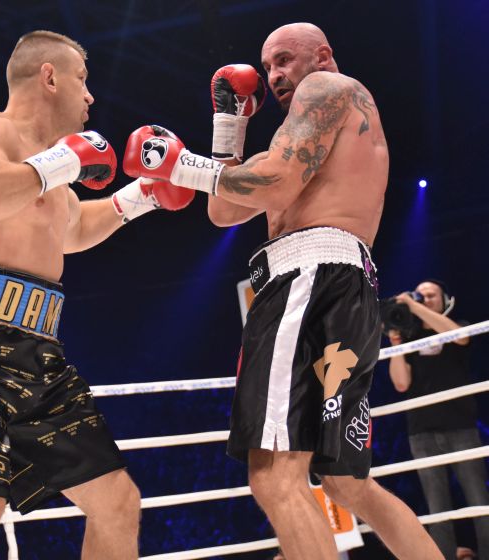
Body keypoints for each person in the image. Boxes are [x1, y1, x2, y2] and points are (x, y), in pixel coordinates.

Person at [123, 22, 443, 559]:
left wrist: (177, 163)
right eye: (268, 65)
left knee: (274, 476)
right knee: (347, 484)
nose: (273, 75)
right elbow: (224, 210)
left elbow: (275, 183)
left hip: (308, 279)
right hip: (343, 285)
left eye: (285, 60)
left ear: (323, 55)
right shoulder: (307, 133)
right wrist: (229, 125)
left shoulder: (326, 88)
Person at [0, 30, 193, 560]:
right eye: (82, 79)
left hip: (38, 353)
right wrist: (61, 162)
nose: (91, 96)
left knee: (117, 503)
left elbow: (72, 230)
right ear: (50, 77)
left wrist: (145, 195)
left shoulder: (51, 172)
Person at [388, 280, 489, 559]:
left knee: (480, 501)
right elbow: (401, 383)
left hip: (460, 428)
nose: (425, 298)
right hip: (422, 432)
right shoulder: (410, 338)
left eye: (431, 295)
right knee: (437, 509)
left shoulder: (457, 325)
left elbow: (460, 337)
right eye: (420, 295)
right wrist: (395, 341)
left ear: (445, 299)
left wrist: (412, 305)